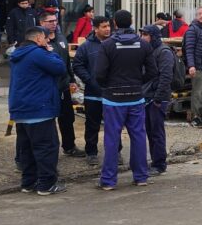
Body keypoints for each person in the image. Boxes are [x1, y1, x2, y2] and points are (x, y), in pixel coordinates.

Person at [95, 10, 158, 190]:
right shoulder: (143, 45)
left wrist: (108, 85)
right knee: (138, 136)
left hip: (113, 99)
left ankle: (108, 181)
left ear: (114, 22)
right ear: (131, 22)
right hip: (136, 98)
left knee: (112, 139)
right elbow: (153, 72)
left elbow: (99, 74)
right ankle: (140, 177)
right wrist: (138, 82)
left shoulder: (107, 45)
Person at [9, 26, 68, 195]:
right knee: (46, 147)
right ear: (38, 38)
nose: (48, 41)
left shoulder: (18, 53)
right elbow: (60, 68)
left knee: (26, 149)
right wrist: (50, 52)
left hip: (21, 109)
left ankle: (28, 183)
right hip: (39, 108)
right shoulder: (38, 53)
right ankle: (46, 184)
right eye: (46, 38)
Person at [38, 12, 84, 157]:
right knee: (47, 120)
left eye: (55, 21)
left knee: (67, 118)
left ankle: (69, 146)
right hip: (47, 88)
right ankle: (47, 150)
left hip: (63, 86)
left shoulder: (61, 37)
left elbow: (66, 62)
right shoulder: (39, 42)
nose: (53, 23)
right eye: (50, 21)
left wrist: (71, 80)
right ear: (41, 23)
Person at [72, 16, 111, 166]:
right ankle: (91, 152)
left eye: (108, 26)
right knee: (92, 125)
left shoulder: (114, 44)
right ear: (95, 28)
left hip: (111, 94)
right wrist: (89, 80)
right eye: (103, 26)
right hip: (93, 94)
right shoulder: (86, 47)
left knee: (113, 125)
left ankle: (115, 151)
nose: (107, 29)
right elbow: (78, 65)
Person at [139, 25, 175, 177]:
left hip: (157, 98)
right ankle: (155, 160)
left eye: (145, 35)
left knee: (157, 132)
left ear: (153, 36)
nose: (142, 37)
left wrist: (159, 98)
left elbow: (166, 77)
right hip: (147, 97)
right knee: (149, 130)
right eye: (141, 34)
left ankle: (159, 163)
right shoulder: (148, 51)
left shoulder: (164, 52)